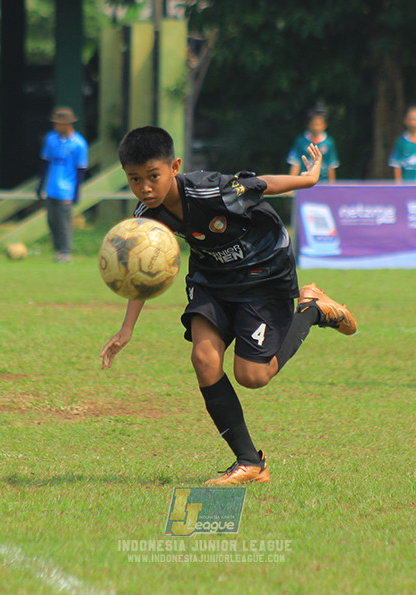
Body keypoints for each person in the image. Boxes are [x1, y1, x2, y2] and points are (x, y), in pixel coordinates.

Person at [100, 126, 357, 486]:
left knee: (253, 376)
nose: (145, 188)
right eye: (134, 179)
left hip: (263, 271)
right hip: (212, 278)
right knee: (204, 359)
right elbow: (141, 271)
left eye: (153, 176)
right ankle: (250, 462)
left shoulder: (209, 189)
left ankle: (312, 308)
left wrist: (308, 180)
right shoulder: (146, 216)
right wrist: (127, 328)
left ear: (174, 167)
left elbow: (261, 184)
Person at [37, 106, 88, 263]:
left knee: (64, 222)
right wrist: (40, 186)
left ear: (67, 124)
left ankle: (66, 251)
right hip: (51, 188)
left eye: (58, 123)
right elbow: (45, 162)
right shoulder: (51, 139)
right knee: (52, 221)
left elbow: (81, 169)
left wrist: (76, 192)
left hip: (67, 189)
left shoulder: (79, 143)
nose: (55, 126)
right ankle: (58, 249)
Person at [287, 108, 340, 183]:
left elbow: (331, 166)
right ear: (308, 125)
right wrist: (291, 184)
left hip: (323, 182)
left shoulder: (329, 142)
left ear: (324, 125)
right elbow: (295, 163)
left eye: (318, 124)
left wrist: (332, 186)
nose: (316, 127)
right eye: (314, 124)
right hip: (304, 181)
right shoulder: (300, 141)